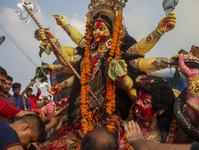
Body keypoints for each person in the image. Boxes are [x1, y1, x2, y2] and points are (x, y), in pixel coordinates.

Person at [35, 0, 176, 144]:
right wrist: (55, 44)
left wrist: (159, 31)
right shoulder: (86, 51)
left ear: (111, 30)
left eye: (101, 28)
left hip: (110, 112)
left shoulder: (120, 52)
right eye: (94, 28)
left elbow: (131, 73)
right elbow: (67, 60)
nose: (96, 32)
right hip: (81, 109)